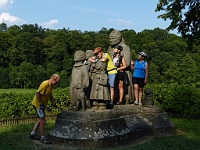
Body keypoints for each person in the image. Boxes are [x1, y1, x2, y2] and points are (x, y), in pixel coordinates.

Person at [29, 74, 60, 144]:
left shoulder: (50, 86)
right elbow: (37, 94)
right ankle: (42, 137)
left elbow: (50, 95)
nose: (57, 84)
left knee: (40, 119)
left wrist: (53, 103)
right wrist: (40, 104)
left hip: (41, 105)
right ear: (53, 79)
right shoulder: (45, 84)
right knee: (43, 120)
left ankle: (32, 134)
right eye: (57, 82)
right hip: (38, 104)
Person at [107, 30, 134, 104]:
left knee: (121, 86)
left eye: (113, 38)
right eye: (110, 39)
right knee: (113, 86)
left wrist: (118, 67)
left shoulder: (125, 48)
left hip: (123, 71)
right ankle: (113, 99)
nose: (111, 40)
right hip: (112, 71)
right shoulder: (110, 48)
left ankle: (122, 99)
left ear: (118, 39)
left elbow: (127, 63)